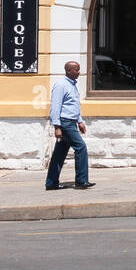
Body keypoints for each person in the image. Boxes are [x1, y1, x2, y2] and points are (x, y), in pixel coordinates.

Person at [45, 60, 95, 190]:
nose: (79, 72)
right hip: (65, 122)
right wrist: (57, 127)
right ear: (68, 71)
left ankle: (51, 183)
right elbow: (55, 107)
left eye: (78, 69)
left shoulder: (72, 85)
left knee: (59, 154)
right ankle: (81, 180)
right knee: (81, 147)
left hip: (71, 122)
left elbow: (74, 105)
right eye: (76, 70)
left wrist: (79, 121)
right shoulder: (60, 85)